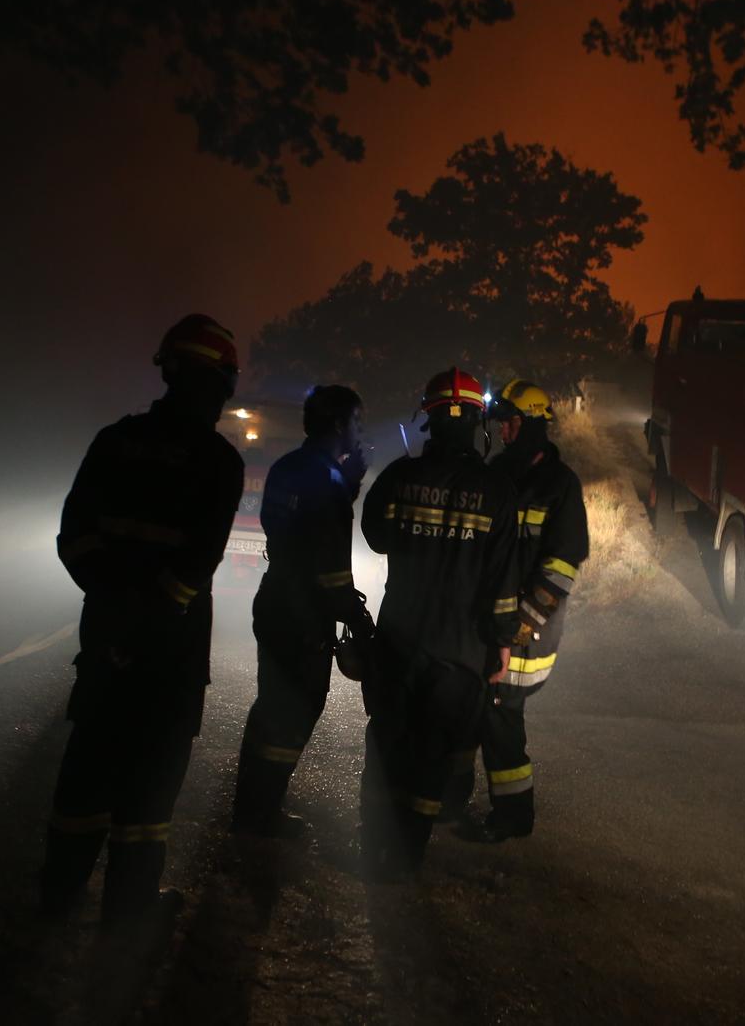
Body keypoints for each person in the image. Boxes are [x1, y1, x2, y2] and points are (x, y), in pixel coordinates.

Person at [41, 314, 244, 925]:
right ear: (221, 384)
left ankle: (58, 897)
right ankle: (128, 912)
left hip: (106, 639)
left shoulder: (113, 441)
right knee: (151, 783)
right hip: (170, 653)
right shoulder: (218, 461)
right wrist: (150, 620)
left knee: (88, 767)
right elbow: (198, 562)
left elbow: (74, 537)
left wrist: (113, 607)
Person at [358, 368, 520, 879]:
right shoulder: (497, 491)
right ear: (478, 423)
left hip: (398, 640)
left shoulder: (398, 478)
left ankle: (371, 847)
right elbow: (503, 584)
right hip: (460, 651)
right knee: (433, 753)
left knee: (388, 739)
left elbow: (375, 537)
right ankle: (405, 856)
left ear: (426, 419)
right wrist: (502, 645)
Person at [231, 385, 374, 838]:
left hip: (275, 601)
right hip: (304, 615)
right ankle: (260, 813)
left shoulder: (287, 467)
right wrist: (356, 618)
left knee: (271, 706)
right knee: (296, 711)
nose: (360, 432)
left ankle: (251, 806)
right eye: (356, 421)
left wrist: (347, 486)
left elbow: (287, 531)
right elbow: (331, 564)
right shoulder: (328, 480)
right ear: (339, 424)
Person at [450, 379, 588, 842]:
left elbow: (561, 568)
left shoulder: (560, 486)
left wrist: (517, 627)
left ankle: (512, 817)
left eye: (510, 423)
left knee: (500, 717)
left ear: (530, 424)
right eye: (501, 424)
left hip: (527, 633)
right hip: (488, 623)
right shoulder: (497, 475)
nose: (503, 432)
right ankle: (449, 801)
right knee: (468, 709)